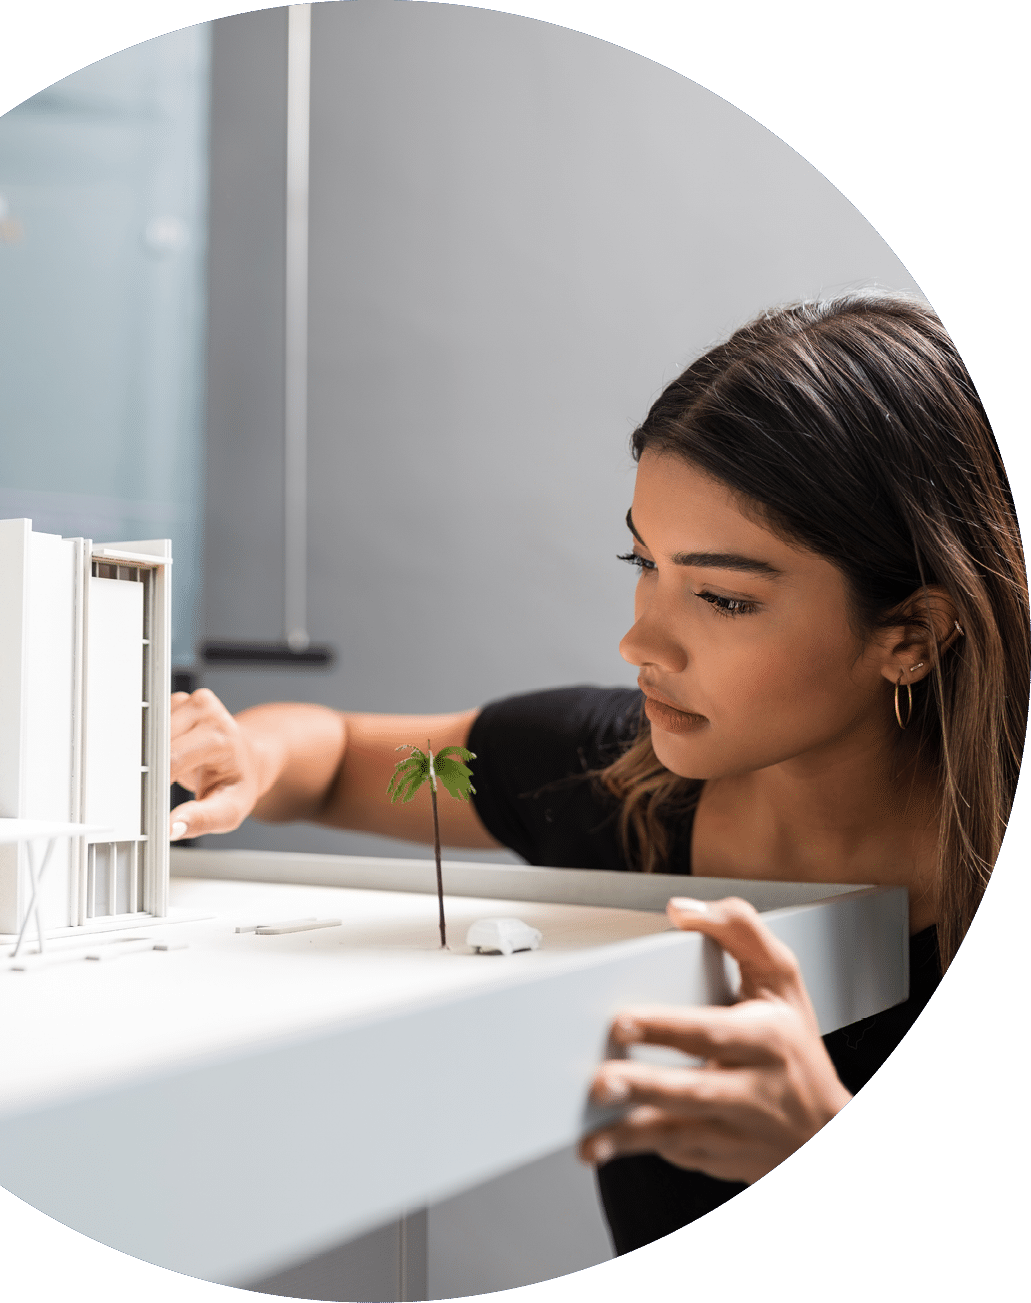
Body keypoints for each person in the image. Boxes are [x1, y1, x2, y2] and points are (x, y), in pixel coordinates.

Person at [166, 293, 1028, 1254]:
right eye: (640, 559)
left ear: (911, 634)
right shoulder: (609, 775)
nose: (637, 638)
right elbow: (325, 759)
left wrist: (817, 1151)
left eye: (724, 599)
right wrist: (247, 755)